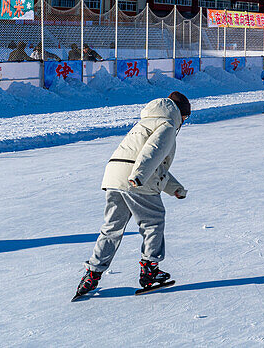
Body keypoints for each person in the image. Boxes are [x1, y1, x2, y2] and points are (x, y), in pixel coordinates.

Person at [73, 92, 190, 300]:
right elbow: (152, 152)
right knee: (153, 221)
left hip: (113, 177)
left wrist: (175, 188)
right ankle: (150, 269)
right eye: (185, 117)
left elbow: (154, 164)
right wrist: (138, 176)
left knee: (112, 228)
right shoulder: (168, 125)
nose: (184, 122)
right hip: (134, 179)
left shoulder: (146, 123)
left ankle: (92, 274)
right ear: (179, 113)